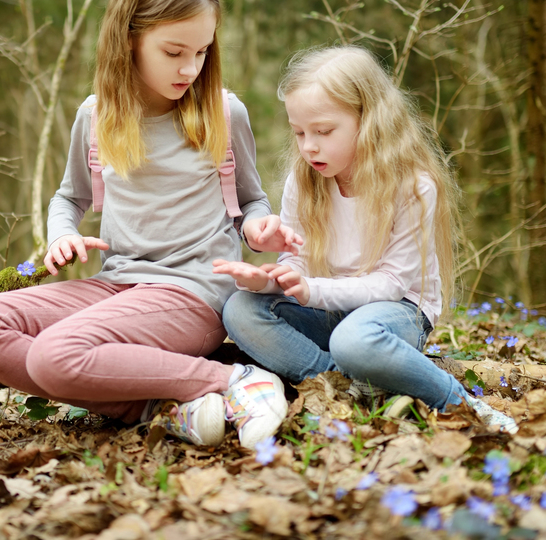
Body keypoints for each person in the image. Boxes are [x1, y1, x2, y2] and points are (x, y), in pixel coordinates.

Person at [0, 0, 298, 449]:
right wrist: (63, 235)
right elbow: (69, 197)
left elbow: (250, 202)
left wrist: (260, 228)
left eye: (201, 52)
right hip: (115, 285)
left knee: (54, 356)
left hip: (192, 291)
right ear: (128, 37)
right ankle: (164, 408)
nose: (190, 68)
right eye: (174, 51)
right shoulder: (96, 118)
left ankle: (235, 382)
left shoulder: (224, 111)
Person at [214, 45, 518, 434]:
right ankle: (343, 386)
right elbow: (298, 265)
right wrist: (269, 281)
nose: (308, 146)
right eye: (300, 132)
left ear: (369, 119)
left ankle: (459, 402)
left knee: (354, 341)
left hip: (398, 312)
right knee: (241, 308)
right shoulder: (303, 182)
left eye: (323, 131)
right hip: (332, 310)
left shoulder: (411, 186)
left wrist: (310, 290)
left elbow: (392, 284)